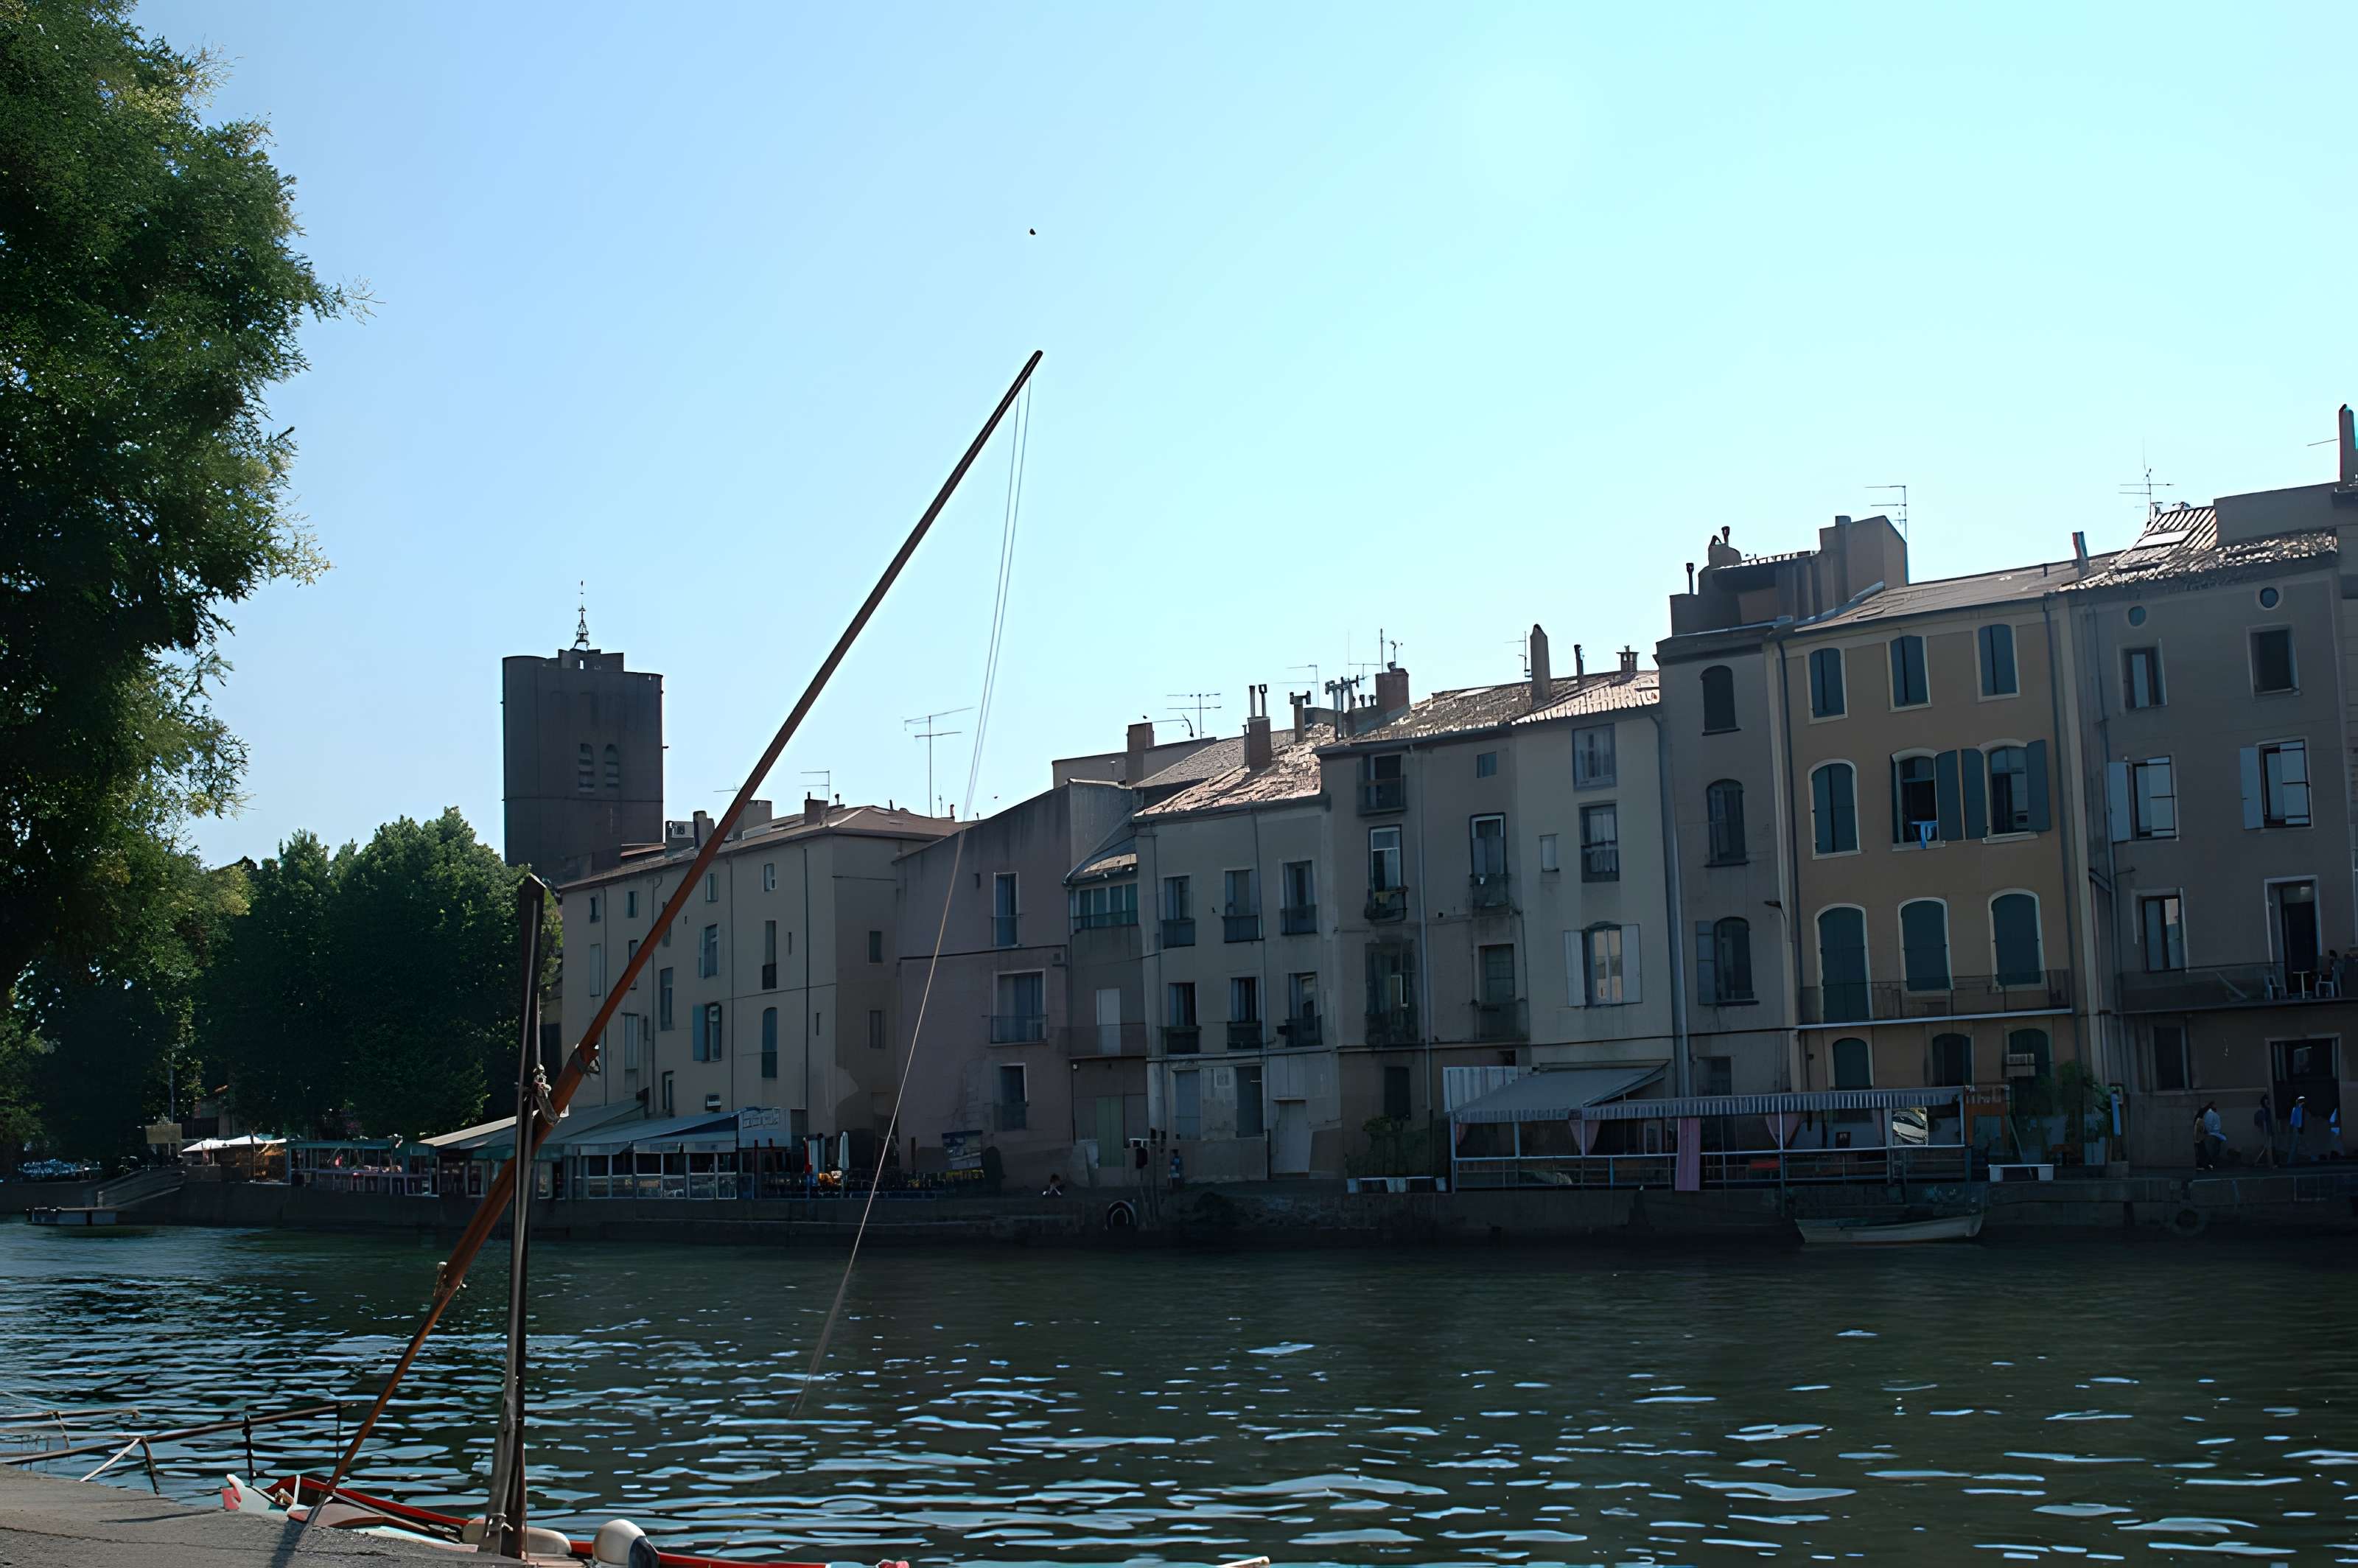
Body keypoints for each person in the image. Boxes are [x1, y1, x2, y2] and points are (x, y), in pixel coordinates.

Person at [2253, 1093, 2275, 1168]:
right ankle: (2260, 1162)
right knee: (2268, 1146)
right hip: (2266, 1130)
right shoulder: (2264, 1111)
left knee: (2267, 1147)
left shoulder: (2265, 1110)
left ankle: (2258, 1161)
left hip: (2267, 1130)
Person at [2202, 1101, 2225, 1169]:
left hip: (2212, 1136)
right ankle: (2211, 1165)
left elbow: (2208, 1126)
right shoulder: (2213, 1114)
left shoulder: (2210, 1114)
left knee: (2211, 1152)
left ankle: (2209, 1166)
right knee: (2213, 1152)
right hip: (2215, 1135)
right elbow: (2210, 1126)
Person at [2287, 1095, 2308, 1164]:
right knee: (2295, 1144)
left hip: (2298, 1127)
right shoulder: (2297, 1109)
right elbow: (2293, 1120)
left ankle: (2292, 1161)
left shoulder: (2299, 1109)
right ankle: (2290, 1161)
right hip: (2296, 1128)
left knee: (2295, 1144)